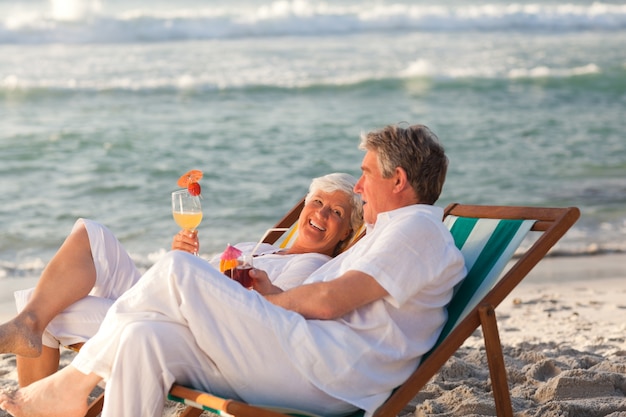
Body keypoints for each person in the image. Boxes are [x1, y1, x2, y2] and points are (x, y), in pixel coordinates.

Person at [0, 124, 467, 417]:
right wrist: (263, 298)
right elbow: (331, 298)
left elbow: (329, 300)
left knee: (177, 270)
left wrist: (267, 301)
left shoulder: (416, 230)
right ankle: (62, 385)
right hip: (305, 357)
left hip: (324, 369)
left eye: (366, 174)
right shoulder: (396, 234)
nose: (362, 186)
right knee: (146, 338)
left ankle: (68, 387)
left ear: (399, 180)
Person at [0, 172, 363, 387]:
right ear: (304, 207)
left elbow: (286, 315)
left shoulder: (315, 269)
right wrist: (185, 257)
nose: (321, 214)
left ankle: (28, 334)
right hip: (164, 299)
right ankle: (28, 326)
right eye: (317, 202)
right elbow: (205, 278)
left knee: (46, 310)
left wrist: (268, 290)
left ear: (346, 232)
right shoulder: (261, 246)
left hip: (180, 328)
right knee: (90, 232)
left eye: (336, 212)